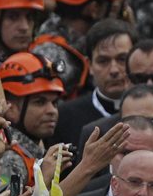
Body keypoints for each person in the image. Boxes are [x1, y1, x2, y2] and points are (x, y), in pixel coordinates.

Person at [53, 20, 136, 148]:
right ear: (89, 65)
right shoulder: (65, 117)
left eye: (122, 59)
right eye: (103, 61)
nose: (114, 70)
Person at [0, 51, 65, 190]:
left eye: (55, 103)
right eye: (40, 102)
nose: (52, 110)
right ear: (11, 109)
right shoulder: (11, 159)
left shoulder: (34, 150)